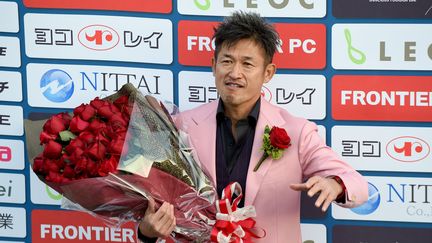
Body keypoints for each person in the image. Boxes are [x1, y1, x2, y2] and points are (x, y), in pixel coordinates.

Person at [138, 11, 368, 242]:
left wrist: (335, 184)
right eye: (227, 61)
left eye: (247, 64)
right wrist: (147, 233)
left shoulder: (297, 132)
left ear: (268, 73)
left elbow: (356, 184)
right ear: (213, 65)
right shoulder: (182, 125)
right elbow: (157, 203)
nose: (234, 73)